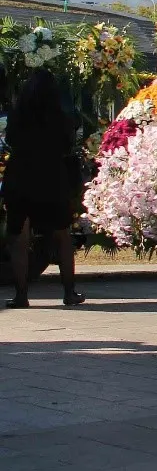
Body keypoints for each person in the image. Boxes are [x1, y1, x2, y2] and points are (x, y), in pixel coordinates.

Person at [2, 67, 84, 308]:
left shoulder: (18, 115)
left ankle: (21, 295)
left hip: (20, 177)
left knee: (18, 238)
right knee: (62, 235)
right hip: (52, 178)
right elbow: (68, 144)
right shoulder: (61, 117)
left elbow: (10, 140)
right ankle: (69, 292)